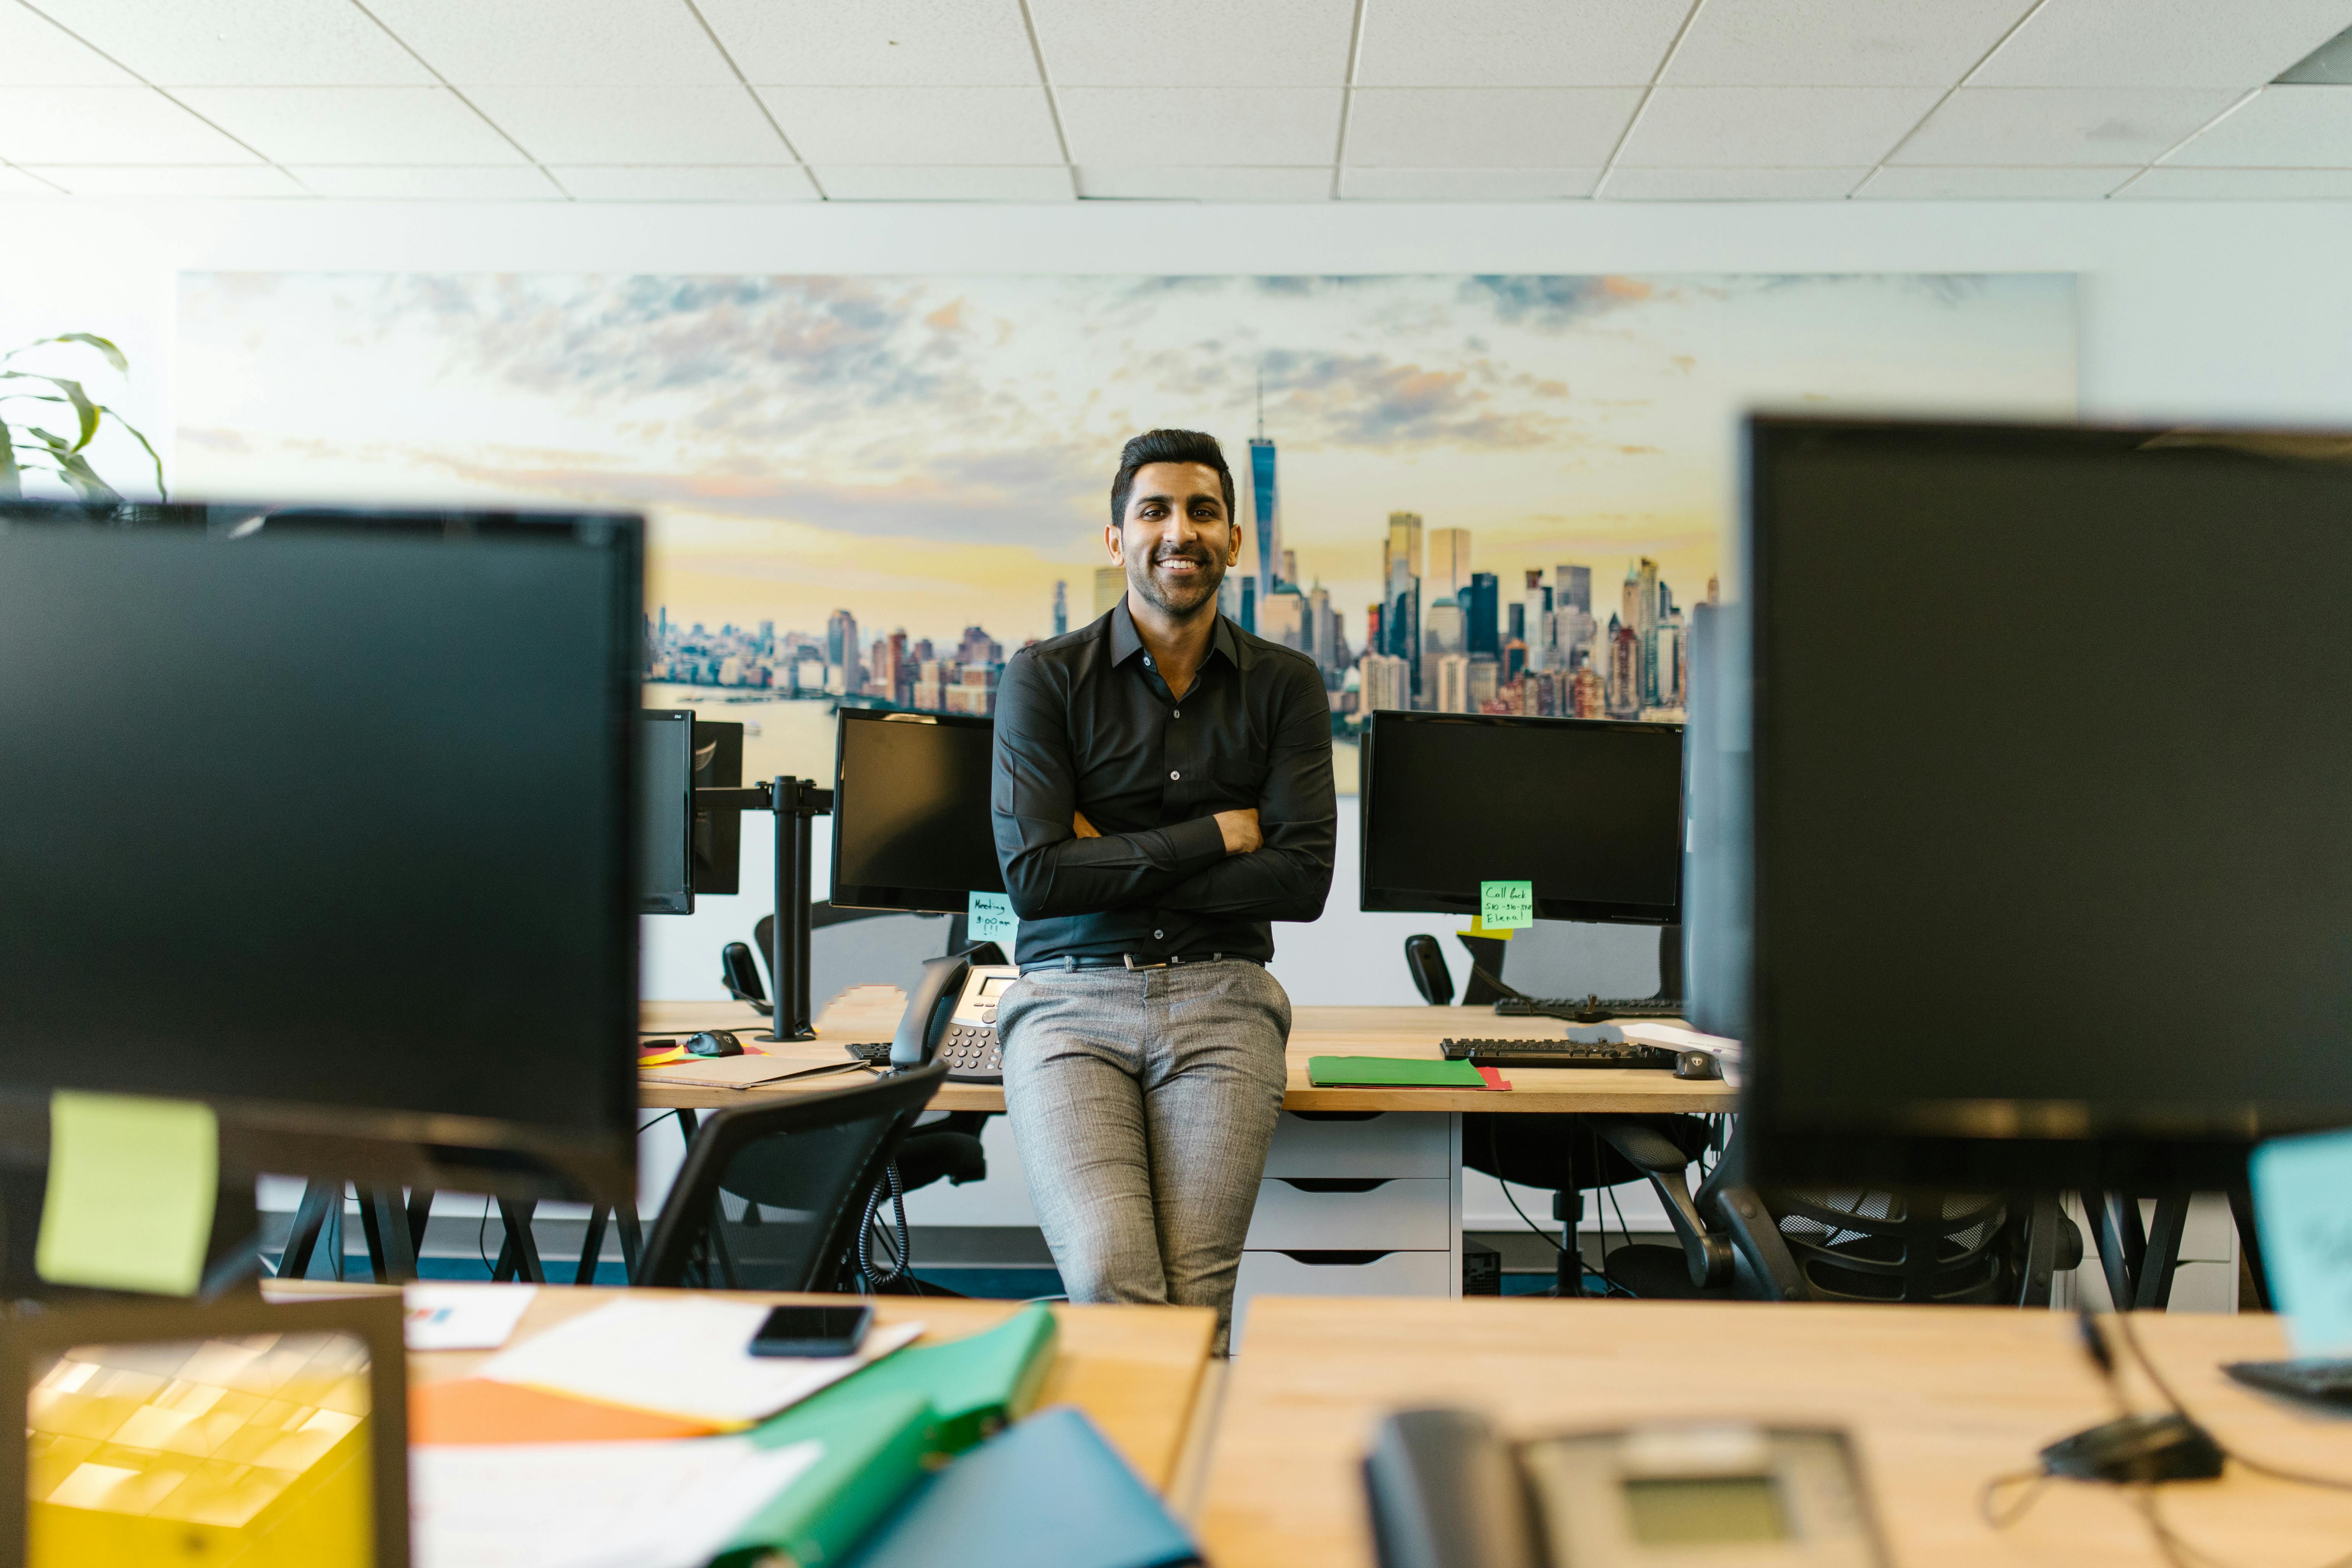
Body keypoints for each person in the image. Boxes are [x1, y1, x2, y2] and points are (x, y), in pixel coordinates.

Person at [989, 428, 1335, 1347]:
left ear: (1232, 540)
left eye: (1201, 511)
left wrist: (1108, 861)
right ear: (1116, 539)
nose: (1178, 531)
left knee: (1194, 1299)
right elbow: (1034, 879)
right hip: (1068, 1001)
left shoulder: (1286, 685)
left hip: (1225, 997)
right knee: (1109, 1272)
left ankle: (1188, 1487)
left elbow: (1302, 883)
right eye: (1153, 511)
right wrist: (1214, 837)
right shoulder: (1044, 679)